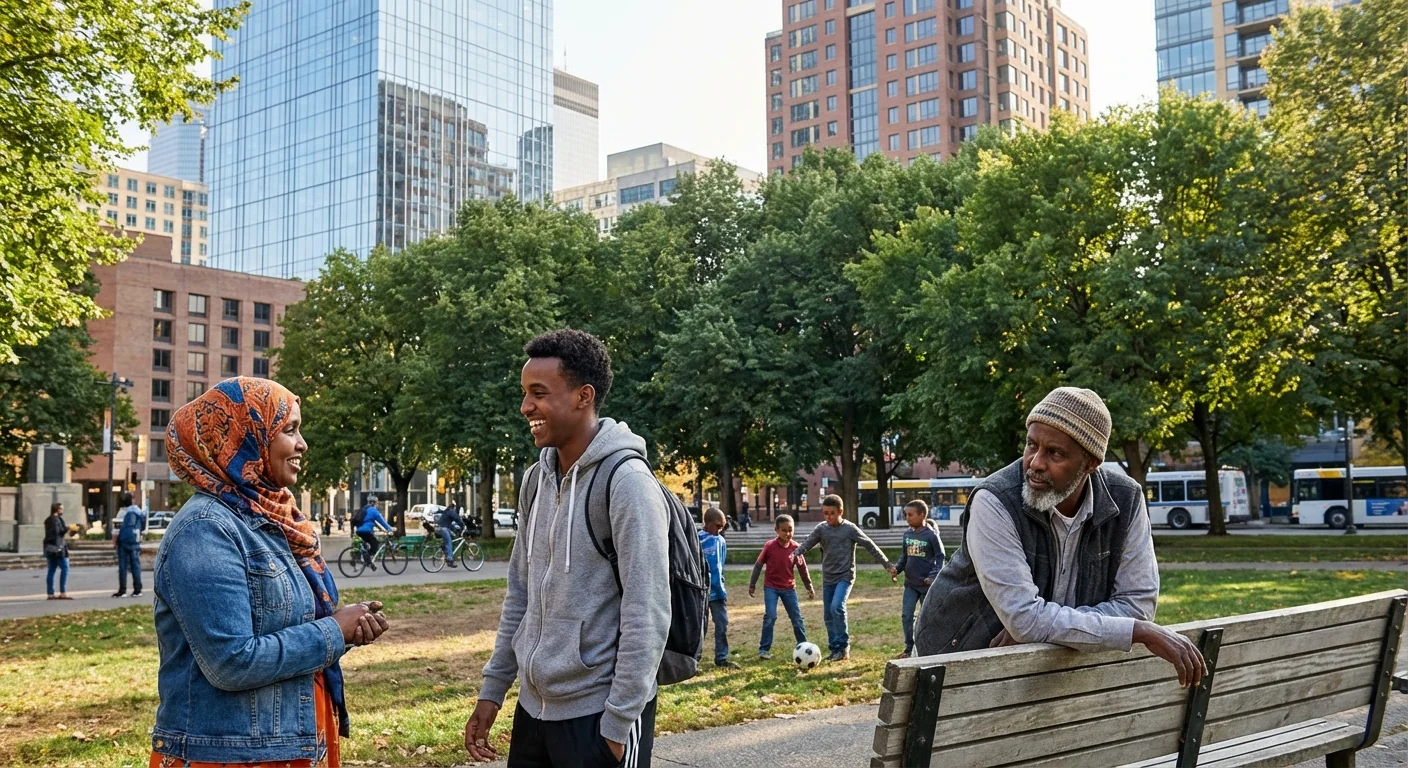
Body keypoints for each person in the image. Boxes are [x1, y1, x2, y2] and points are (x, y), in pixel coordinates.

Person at [152, 376, 390, 767]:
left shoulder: (271, 518)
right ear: (245, 437)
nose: (302, 444)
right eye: (289, 430)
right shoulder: (205, 530)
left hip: (289, 741)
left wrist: (348, 629)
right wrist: (334, 629)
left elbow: (286, 629)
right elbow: (230, 662)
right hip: (230, 754)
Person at [466, 329, 670, 768]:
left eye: (538, 393)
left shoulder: (628, 483)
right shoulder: (535, 481)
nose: (525, 407)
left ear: (583, 396)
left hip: (600, 717)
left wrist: (617, 728)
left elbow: (647, 612)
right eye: (524, 393)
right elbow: (519, 594)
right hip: (533, 711)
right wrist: (494, 688)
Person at [914, 387, 1206, 688]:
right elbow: (1026, 618)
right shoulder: (995, 500)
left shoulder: (1126, 499)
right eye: (1031, 445)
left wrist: (1046, 626)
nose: (1036, 463)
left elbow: (1137, 605)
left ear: (1091, 463)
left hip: (1040, 675)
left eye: (1055, 453)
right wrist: (1136, 631)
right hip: (954, 663)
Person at [799, 495, 896, 662]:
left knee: (837, 606)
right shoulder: (821, 529)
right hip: (828, 577)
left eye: (832, 513)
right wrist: (796, 553)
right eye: (825, 513)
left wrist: (887, 564)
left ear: (840, 512)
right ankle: (835, 648)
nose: (828, 517)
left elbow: (869, 545)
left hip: (845, 575)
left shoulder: (850, 529)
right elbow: (807, 544)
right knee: (828, 614)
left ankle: (844, 647)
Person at [748, 514, 813, 660]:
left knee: (797, 618)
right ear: (776, 530)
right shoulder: (769, 546)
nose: (788, 533)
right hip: (771, 587)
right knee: (770, 616)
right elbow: (758, 565)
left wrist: (809, 585)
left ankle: (803, 646)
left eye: (790, 530)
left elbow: (803, 569)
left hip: (789, 588)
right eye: (784, 530)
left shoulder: (796, 548)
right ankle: (764, 649)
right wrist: (752, 584)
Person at [893, 500, 944, 658]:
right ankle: (909, 647)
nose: (907, 518)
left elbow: (940, 557)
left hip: (925, 586)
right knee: (906, 616)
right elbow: (905, 556)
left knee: (926, 617)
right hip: (910, 584)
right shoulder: (907, 534)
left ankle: (928, 646)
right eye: (905, 515)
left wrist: (932, 576)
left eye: (910, 515)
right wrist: (897, 569)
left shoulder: (931, 535)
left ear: (922, 515)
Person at [699, 507, 739, 670]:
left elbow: (720, 566)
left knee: (722, 623)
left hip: (717, 592)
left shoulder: (721, 541)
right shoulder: (697, 539)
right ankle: (694, 659)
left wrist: (720, 586)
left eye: (723, 526)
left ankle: (721, 657)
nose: (720, 530)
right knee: (700, 625)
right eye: (717, 526)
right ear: (707, 524)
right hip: (701, 591)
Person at [112, 491, 146, 598]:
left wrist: (114, 542)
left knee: (123, 567)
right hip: (134, 541)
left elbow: (116, 530)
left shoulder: (122, 512)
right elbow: (142, 527)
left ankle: (122, 590)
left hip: (123, 542)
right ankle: (137, 589)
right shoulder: (138, 511)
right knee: (135, 566)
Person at [354, 497, 393, 570]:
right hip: (366, 531)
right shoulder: (373, 511)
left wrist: (381, 529)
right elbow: (382, 521)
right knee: (375, 544)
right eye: (377, 503)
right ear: (374, 503)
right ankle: (367, 560)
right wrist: (389, 529)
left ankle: (367, 561)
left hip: (359, 531)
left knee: (367, 545)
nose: (377, 504)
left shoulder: (364, 509)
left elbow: (373, 522)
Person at [44, 503, 72, 600]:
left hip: (50, 547)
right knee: (65, 568)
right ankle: (63, 592)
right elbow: (58, 533)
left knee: (51, 570)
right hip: (58, 548)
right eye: (62, 509)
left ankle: (50, 593)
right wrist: (67, 529)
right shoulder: (56, 520)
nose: (62, 511)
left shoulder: (48, 519)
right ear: (58, 509)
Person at [437, 502, 466, 568]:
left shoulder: (446, 511)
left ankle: (443, 547)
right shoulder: (451, 511)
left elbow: (450, 525)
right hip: (443, 529)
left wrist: (456, 530)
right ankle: (450, 560)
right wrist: (463, 526)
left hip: (439, 528)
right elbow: (457, 518)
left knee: (453, 537)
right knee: (449, 542)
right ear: (453, 507)